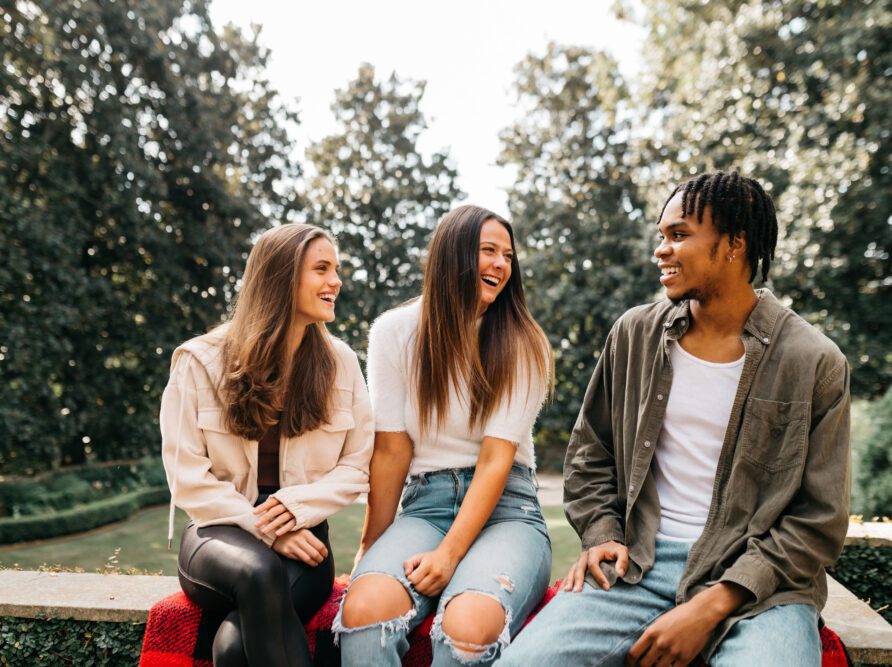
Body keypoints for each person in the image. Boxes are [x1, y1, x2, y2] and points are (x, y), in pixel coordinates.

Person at [499, 171, 851, 666]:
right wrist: (603, 533)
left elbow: (818, 521)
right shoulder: (633, 334)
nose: (661, 250)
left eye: (679, 235)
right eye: (661, 236)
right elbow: (590, 453)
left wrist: (712, 604)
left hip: (758, 588)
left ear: (735, 244)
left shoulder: (814, 361)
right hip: (640, 564)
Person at [333, 205, 554, 666]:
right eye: (488, 251)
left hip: (506, 509)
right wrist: (371, 545)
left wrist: (449, 555)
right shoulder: (394, 332)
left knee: (469, 625)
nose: (501, 264)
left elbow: (496, 459)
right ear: (452, 255)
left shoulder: (522, 342)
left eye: (508, 256)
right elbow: (393, 450)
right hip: (426, 505)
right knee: (364, 608)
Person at [160, 223, 374, 667]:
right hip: (217, 534)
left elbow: (357, 465)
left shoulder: (342, 363)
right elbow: (186, 479)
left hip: (306, 541)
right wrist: (267, 529)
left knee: (234, 649)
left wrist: (296, 508)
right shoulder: (199, 360)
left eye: (335, 269)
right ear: (281, 277)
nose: (336, 281)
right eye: (322, 269)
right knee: (257, 569)